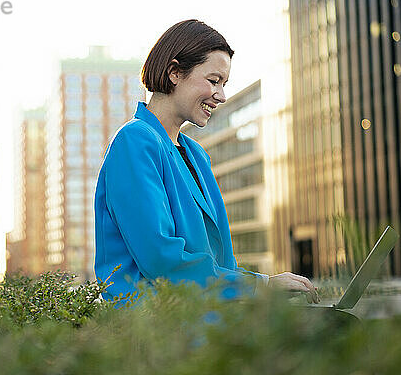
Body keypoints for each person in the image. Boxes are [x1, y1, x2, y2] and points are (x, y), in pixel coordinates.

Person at [94, 19, 319, 305]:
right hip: (154, 329)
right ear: (175, 72)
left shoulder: (196, 154)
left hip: (206, 321)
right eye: (214, 81)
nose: (221, 96)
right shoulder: (134, 141)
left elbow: (220, 261)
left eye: (224, 84)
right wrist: (260, 285)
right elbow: (161, 260)